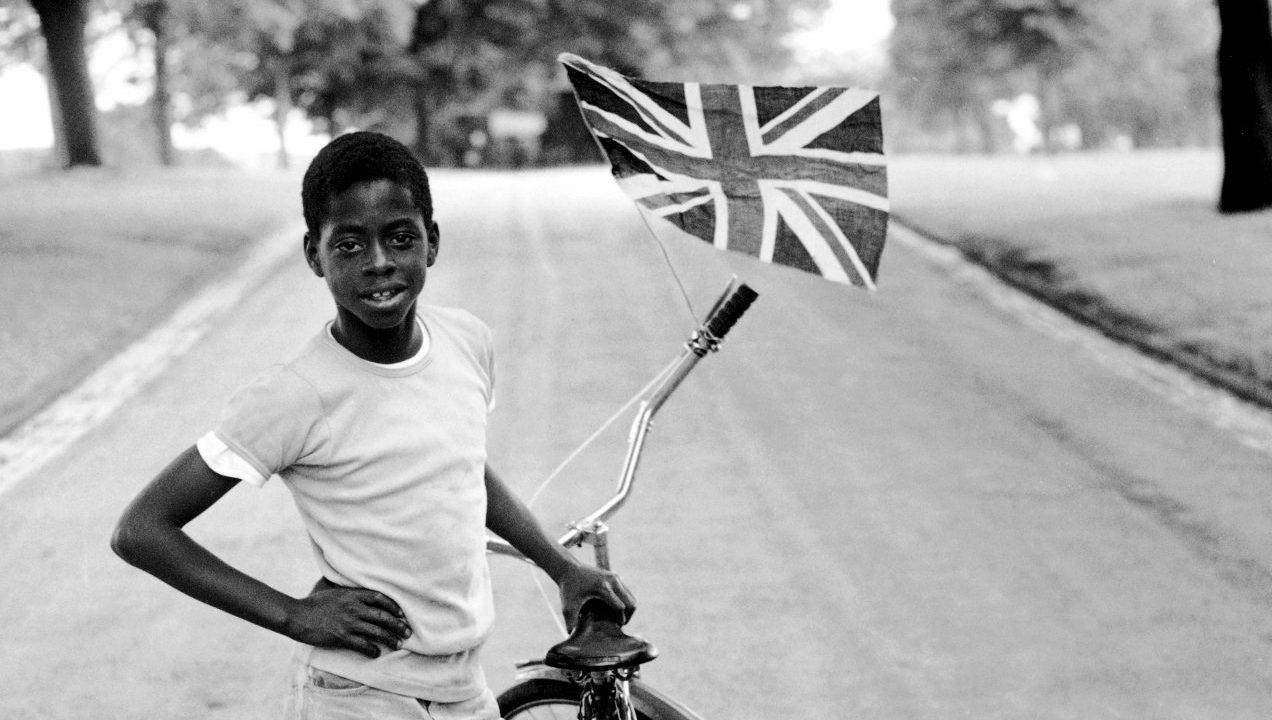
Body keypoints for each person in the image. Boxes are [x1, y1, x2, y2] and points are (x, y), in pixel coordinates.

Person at [111, 130, 636, 719]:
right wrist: (293, 615)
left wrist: (561, 567)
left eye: (400, 237)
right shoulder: (295, 394)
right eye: (350, 245)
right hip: (358, 696)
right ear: (315, 254)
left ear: (431, 243)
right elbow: (142, 530)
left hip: (464, 691)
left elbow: (458, 469)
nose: (380, 262)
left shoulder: (466, 343)